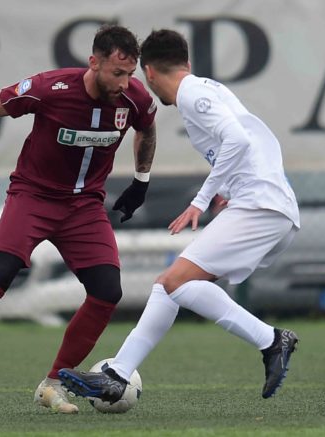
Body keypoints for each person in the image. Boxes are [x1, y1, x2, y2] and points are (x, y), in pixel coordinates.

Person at [0, 24, 157, 414]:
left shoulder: (134, 98)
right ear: (93, 63)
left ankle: (53, 384)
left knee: (107, 291)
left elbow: (147, 128)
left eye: (130, 73)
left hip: (85, 207)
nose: (125, 82)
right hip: (34, 196)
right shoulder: (50, 88)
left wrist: (141, 181)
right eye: (117, 73)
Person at [58, 29, 300, 402]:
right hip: (264, 205)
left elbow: (238, 140)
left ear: (149, 73)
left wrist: (201, 200)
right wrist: (230, 190)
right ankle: (117, 375)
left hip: (261, 207)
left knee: (175, 282)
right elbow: (257, 139)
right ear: (186, 62)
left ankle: (271, 340)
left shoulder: (191, 94)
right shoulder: (209, 89)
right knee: (168, 287)